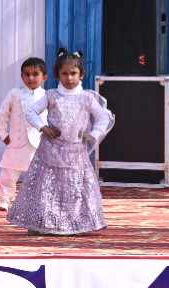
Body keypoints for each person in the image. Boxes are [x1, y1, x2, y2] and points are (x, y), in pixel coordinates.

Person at [7, 49, 114, 236]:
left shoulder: (87, 98)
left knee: (75, 186)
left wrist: (93, 134)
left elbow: (103, 117)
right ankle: (43, 221)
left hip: (75, 152)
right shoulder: (51, 95)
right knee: (47, 186)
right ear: (57, 75)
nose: (69, 78)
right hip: (50, 149)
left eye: (73, 73)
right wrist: (43, 127)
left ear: (81, 75)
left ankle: (75, 222)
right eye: (64, 73)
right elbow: (31, 111)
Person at [0, 56, 48, 210]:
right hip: (16, 141)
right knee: (9, 173)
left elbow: (52, 118)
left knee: (38, 175)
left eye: (35, 74)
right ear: (22, 76)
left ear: (44, 77)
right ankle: (5, 199)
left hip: (38, 143)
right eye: (27, 74)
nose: (31, 78)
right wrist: (3, 134)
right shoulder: (15, 94)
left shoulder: (47, 95)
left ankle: (35, 201)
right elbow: (3, 114)